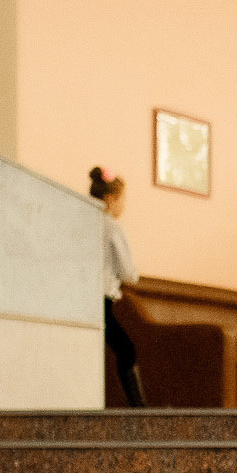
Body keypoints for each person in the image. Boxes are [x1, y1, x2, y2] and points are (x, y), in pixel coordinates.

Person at [90, 167, 146, 408]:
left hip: (84, 297)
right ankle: (139, 408)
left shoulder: (85, 222)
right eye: (123, 200)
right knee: (127, 350)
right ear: (111, 199)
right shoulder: (112, 227)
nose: (123, 206)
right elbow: (128, 271)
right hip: (103, 299)